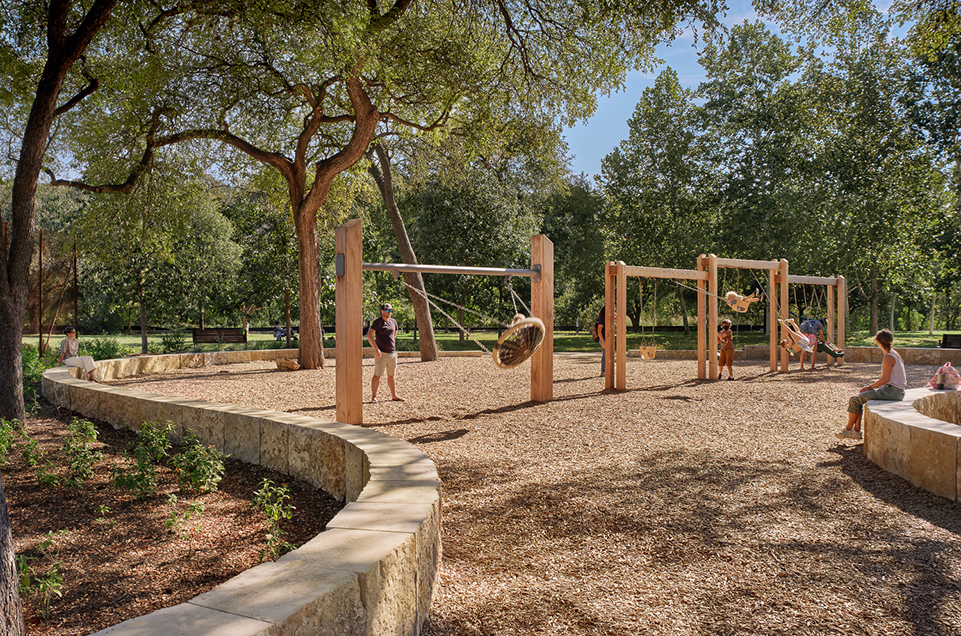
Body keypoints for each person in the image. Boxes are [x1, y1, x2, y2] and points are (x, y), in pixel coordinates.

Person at [837, 329, 906, 440]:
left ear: (878, 342)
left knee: (854, 399)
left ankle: (848, 429)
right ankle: (855, 431)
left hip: (893, 392)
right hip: (897, 391)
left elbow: (884, 379)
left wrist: (869, 387)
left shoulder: (888, 357)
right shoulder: (895, 353)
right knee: (859, 399)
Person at [367, 303, 404, 402]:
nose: (389, 313)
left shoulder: (393, 322)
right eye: (387, 311)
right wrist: (376, 349)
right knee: (377, 375)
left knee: (391, 375)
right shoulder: (377, 322)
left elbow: (394, 334)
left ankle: (394, 396)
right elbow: (369, 335)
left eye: (391, 311)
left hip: (392, 353)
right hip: (381, 354)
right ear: (382, 311)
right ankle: (374, 397)